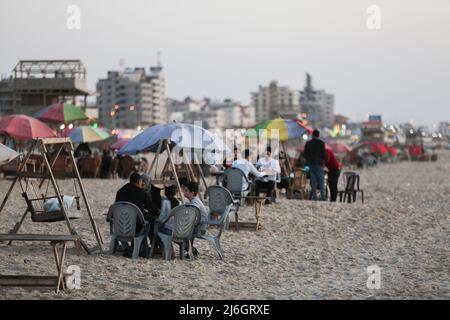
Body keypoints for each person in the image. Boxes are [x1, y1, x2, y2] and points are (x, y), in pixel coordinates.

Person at [181, 181, 209, 257]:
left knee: (182, 231)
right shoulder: (194, 201)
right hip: (198, 225)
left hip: (200, 227)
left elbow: (193, 213)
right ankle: (191, 250)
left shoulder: (195, 202)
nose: (184, 192)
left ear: (192, 193)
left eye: (186, 190)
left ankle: (191, 251)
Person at [303, 129, 326, 201]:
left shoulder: (308, 143)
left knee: (313, 182)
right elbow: (324, 155)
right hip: (319, 165)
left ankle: (314, 198)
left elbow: (305, 155)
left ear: (312, 135)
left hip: (311, 165)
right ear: (318, 135)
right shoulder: (322, 143)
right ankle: (322, 198)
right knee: (321, 182)